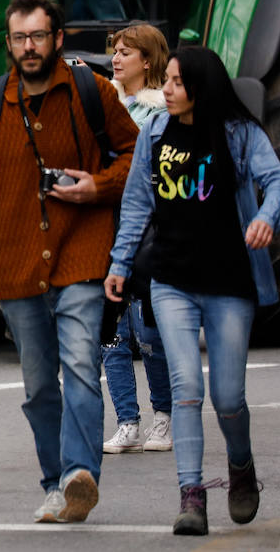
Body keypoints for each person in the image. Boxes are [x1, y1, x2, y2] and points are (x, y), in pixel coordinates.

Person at [0, 0, 138, 524]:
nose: (29, 47)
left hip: (82, 253)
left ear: (58, 39)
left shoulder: (94, 92)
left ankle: (78, 475)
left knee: (82, 366)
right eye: (19, 38)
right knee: (40, 385)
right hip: (17, 266)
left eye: (38, 36)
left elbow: (136, 155)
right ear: (10, 44)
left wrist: (98, 187)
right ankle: (54, 482)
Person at [106, 46, 280, 536]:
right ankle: (191, 495)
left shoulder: (240, 134)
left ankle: (240, 466)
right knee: (186, 389)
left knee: (228, 397)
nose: (165, 91)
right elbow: (136, 204)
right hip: (172, 282)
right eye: (165, 80)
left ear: (200, 88)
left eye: (175, 82)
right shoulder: (155, 132)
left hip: (230, 283)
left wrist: (266, 219)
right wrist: (120, 264)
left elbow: (279, 183)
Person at [101, 23, 172, 454]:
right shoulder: (104, 104)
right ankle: (127, 420)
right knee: (111, 332)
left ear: (147, 60)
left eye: (126, 51)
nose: (117, 57)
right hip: (104, 226)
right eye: (115, 51)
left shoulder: (160, 113)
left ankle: (163, 415)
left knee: (149, 333)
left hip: (144, 232)